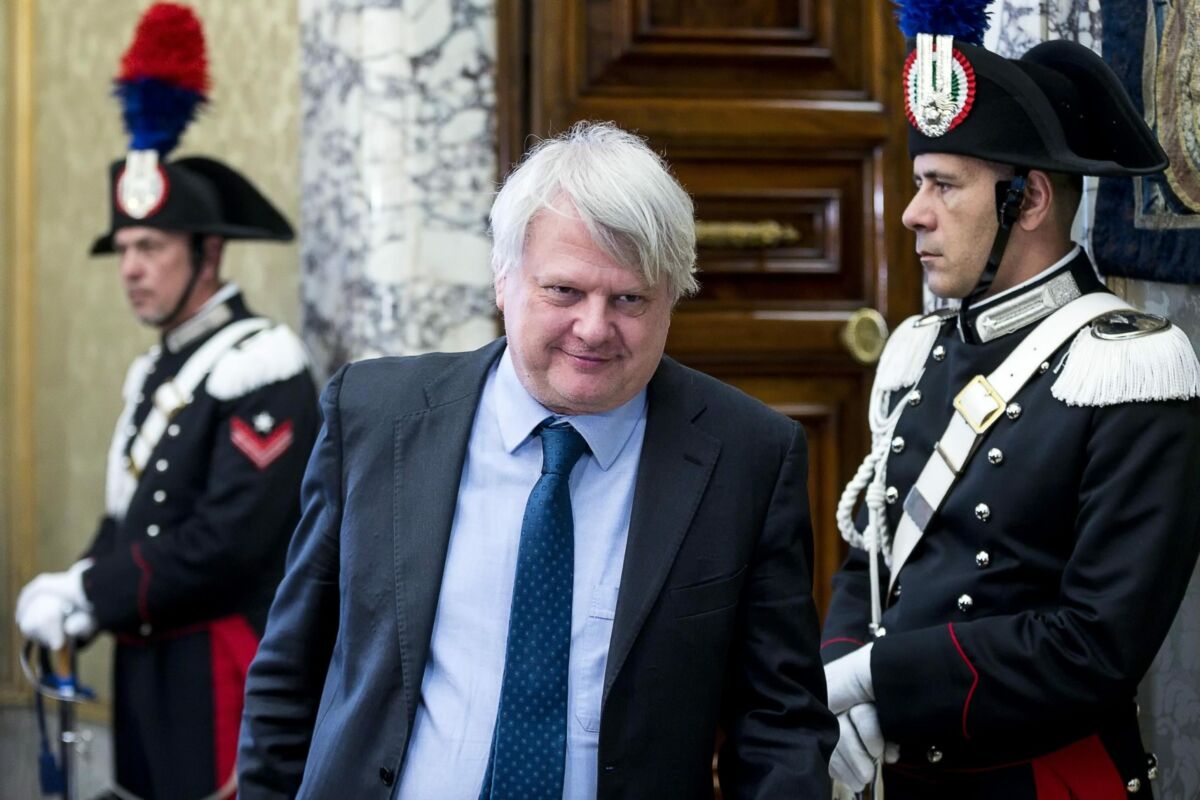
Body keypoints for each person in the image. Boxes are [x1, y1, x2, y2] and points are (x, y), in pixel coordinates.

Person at [237, 121, 837, 799]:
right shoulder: (375, 417)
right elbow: (289, 674)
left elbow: (779, 725)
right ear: (503, 279)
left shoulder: (747, 457)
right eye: (563, 291)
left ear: (673, 298)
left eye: (629, 299)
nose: (593, 328)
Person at [821, 7, 1200, 799]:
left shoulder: (1129, 369)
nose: (911, 212)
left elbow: (1094, 645)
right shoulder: (919, 351)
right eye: (919, 182)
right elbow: (875, 555)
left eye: (943, 185)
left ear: (1025, 202)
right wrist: (842, 676)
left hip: (1039, 780)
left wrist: (882, 680)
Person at [13, 4, 320, 798]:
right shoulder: (156, 372)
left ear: (209, 252)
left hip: (221, 665)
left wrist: (92, 591)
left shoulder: (262, 364)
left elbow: (227, 545)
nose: (132, 269)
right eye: (124, 250)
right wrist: (83, 587)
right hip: (147, 662)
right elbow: (131, 518)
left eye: (151, 247)